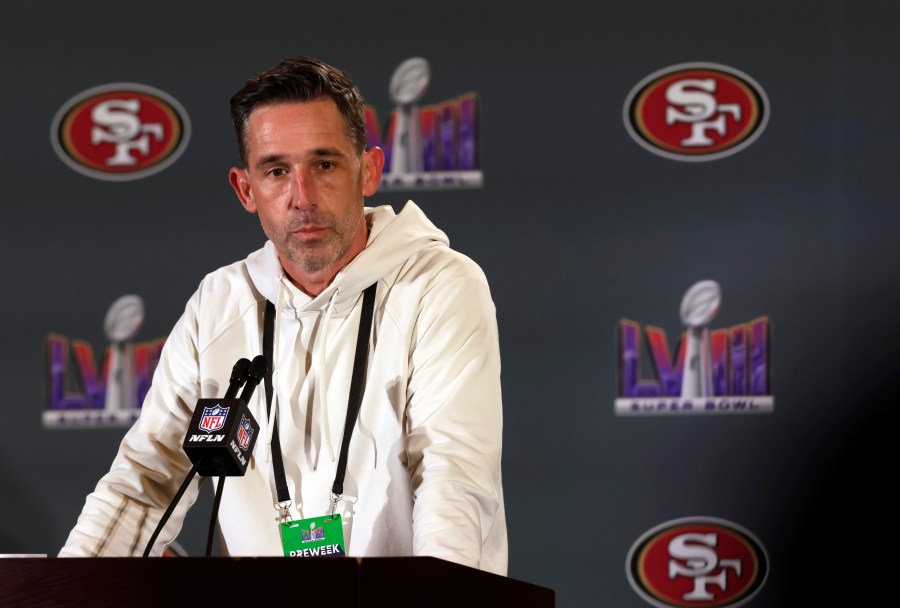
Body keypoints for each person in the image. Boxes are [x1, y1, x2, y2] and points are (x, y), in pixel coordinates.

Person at [59, 56, 507, 575]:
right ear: (245, 189)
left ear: (369, 170)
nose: (303, 197)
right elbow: (147, 475)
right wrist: (69, 591)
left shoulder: (439, 287)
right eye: (276, 171)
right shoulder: (219, 304)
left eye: (325, 164)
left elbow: (453, 474)